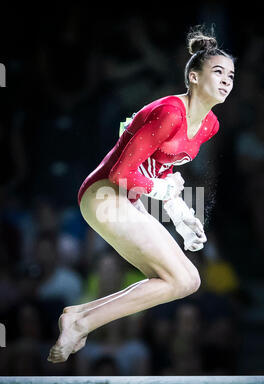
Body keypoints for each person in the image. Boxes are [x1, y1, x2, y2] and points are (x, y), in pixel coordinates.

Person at [47, 25, 235, 363]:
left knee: (187, 281)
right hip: (103, 194)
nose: (226, 80)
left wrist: (181, 215)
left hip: (128, 200)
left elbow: (160, 169)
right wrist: (164, 193)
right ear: (193, 77)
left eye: (231, 76)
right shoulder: (169, 112)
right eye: (217, 72)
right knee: (181, 278)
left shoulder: (210, 125)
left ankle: (79, 316)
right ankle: (81, 322)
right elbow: (122, 173)